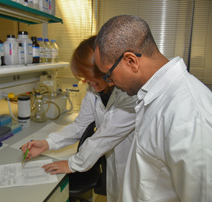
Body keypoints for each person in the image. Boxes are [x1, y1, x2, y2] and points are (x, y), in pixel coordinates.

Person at [94, 15, 212, 202]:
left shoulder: (192, 119)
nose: (111, 83)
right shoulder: (152, 96)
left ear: (131, 61)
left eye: (108, 74)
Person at [21, 35, 137, 201]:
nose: (85, 81)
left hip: (132, 165)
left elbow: (105, 135)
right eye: (84, 77)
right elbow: (80, 126)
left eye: (90, 75)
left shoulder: (130, 93)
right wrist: (47, 144)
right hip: (113, 164)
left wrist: (72, 163)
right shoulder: (93, 90)